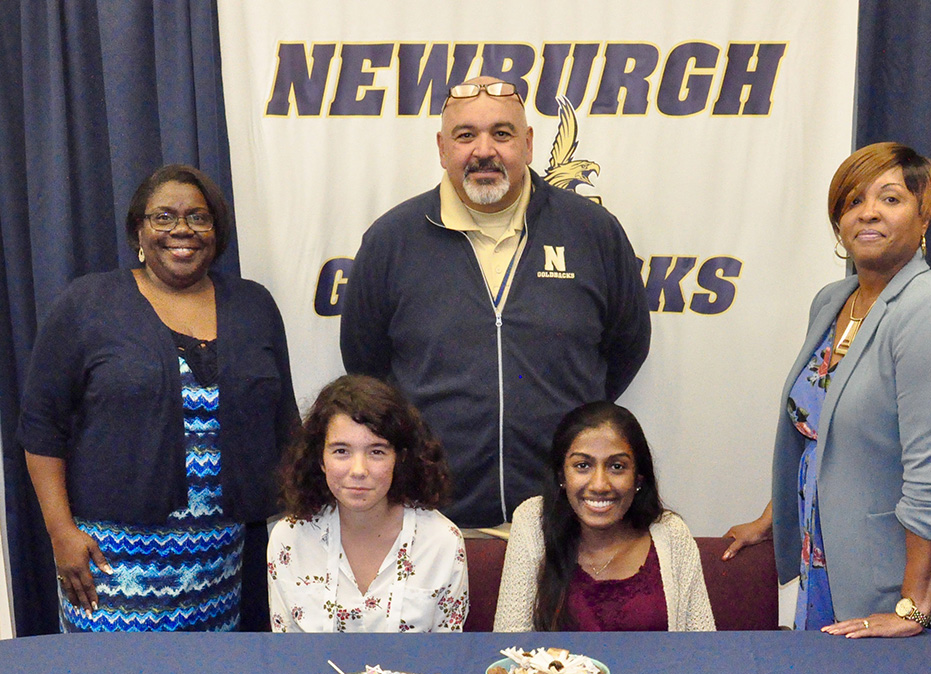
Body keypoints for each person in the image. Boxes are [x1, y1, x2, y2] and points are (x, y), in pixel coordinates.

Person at [340, 76, 651, 529]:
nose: (484, 150)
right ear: (442, 148)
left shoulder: (592, 231)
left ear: (527, 144)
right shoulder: (392, 240)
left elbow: (626, 347)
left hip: (563, 519)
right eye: (466, 135)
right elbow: (367, 368)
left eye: (502, 134)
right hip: (431, 517)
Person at [18, 164, 299, 632]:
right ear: (138, 232)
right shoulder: (87, 304)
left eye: (198, 217)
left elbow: (285, 424)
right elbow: (42, 429)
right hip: (109, 564)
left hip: (220, 563)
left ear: (216, 231)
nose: (181, 230)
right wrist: (61, 532)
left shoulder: (254, 306)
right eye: (163, 217)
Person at [723, 143, 931, 637]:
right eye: (852, 201)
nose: (868, 212)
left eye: (890, 198)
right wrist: (773, 517)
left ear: (924, 217)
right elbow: (824, 430)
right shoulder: (833, 300)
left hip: (900, 577)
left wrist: (913, 609)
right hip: (828, 556)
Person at [267, 375, 468, 632]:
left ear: (399, 458)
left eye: (377, 452)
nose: (359, 470)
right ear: (320, 459)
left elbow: (447, 655)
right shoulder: (289, 539)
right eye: (341, 451)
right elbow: (288, 653)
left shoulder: (443, 541)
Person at [493, 401, 714, 632]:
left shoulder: (671, 532)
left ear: (638, 478)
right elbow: (509, 644)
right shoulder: (532, 522)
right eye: (582, 465)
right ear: (561, 475)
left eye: (617, 467)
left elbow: (703, 645)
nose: (599, 485)